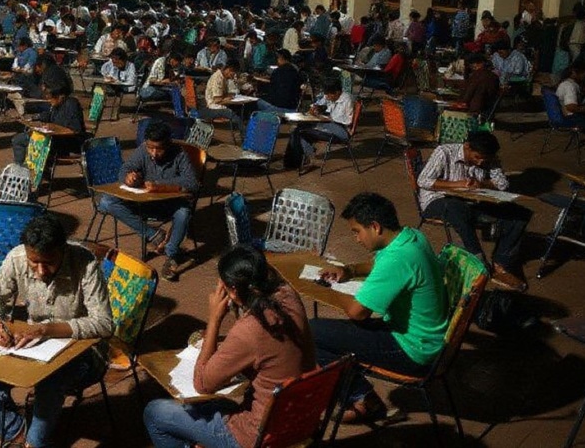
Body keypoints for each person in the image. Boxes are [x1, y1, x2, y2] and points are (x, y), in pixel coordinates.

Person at [143, 245, 316, 447]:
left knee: (155, 413)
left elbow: (203, 383)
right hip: (300, 419)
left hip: (257, 436)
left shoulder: (250, 329)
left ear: (232, 290)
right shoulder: (288, 295)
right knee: (216, 405)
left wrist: (215, 318)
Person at [0, 214, 113, 448]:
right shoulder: (16, 257)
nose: (40, 271)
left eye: (48, 262)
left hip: (85, 352)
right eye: (33, 262)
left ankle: (35, 443)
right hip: (34, 346)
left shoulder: (84, 263)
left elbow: (104, 323)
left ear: (63, 250)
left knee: (50, 379)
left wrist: (47, 329)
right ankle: (16, 433)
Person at [311, 192, 449, 423]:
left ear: (374, 226)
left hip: (412, 351)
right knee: (328, 332)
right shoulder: (411, 236)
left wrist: (327, 290)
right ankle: (362, 395)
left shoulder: (398, 259)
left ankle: (363, 399)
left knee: (311, 332)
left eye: (357, 231)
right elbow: (378, 263)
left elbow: (358, 313)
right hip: (424, 338)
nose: (356, 239)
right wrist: (350, 271)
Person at [417, 130, 530, 290]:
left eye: (484, 159)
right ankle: (479, 263)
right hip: (437, 201)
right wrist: (458, 184)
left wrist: (482, 184)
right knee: (456, 209)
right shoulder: (444, 152)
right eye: (477, 157)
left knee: (520, 214)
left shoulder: (488, 157)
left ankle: (501, 265)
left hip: (471, 202)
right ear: (467, 147)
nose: (480, 162)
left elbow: (503, 184)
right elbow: (423, 180)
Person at [97, 120, 197, 281]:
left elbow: (192, 183)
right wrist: (128, 177)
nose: (154, 153)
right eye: (151, 147)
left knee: (184, 212)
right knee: (106, 202)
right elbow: (124, 169)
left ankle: (171, 254)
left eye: (159, 149)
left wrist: (160, 186)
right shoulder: (142, 150)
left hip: (168, 204)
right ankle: (154, 235)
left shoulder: (180, 154)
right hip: (144, 202)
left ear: (169, 144)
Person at [284, 76, 354, 170]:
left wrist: (327, 118)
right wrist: (315, 107)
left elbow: (347, 120)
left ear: (337, 92)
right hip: (328, 125)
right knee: (297, 129)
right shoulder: (329, 95)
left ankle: (300, 159)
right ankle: (296, 160)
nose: (327, 97)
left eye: (329, 95)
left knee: (300, 131)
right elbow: (318, 103)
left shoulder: (347, 99)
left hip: (341, 130)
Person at [11, 79, 86, 165]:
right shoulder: (57, 105)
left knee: (20, 140)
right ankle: (20, 166)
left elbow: (74, 130)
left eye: (51, 98)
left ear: (61, 96)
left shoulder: (71, 105)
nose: (49, 101)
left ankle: (21, 168)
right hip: (53, 138)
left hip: (66, 142)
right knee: (20, 138)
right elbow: (48, 115)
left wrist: (53, 129)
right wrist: (32, 118)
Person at [200, 59, 244, 133]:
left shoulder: (224, 78)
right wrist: (227, 99)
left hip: (219, 103)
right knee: (231, 113)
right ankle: (243, 133)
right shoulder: (217, 78)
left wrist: (229, 96)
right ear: (229, 70)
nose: (233, 75)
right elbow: (217, 100)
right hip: (212, 106)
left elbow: (223, 94)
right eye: (233, 73)